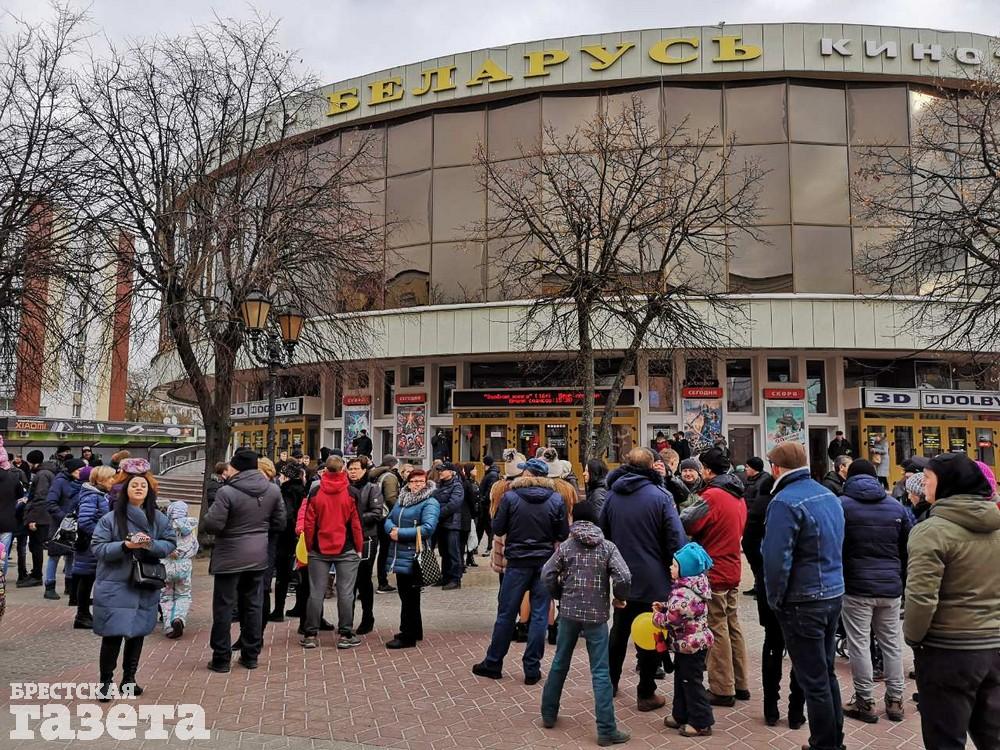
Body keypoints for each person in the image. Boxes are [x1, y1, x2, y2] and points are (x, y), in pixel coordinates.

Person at [904, 451, 1000, 749]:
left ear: (947, 483)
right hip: (993, 644)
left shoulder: (931, 532)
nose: (924, 485)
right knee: (992, 735)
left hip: (948, 649)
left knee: (945, 738)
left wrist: (913, 637)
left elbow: (921, 597)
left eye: (928, 478)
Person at [762, 441, 845, 750]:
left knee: (814, 680)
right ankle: (834, 739)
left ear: (776, 468)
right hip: (831, 593)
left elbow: (776, 558)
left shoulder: (784, 502)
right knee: (825, 673)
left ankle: (825, 743)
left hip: (803, 599)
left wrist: (775, 598)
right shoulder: (828, 494)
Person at [600, 447, 687, 711]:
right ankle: (646, 691)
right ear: (651, 466)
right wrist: (677, 568)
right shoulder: (661, 496)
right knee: (652, 632)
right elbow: (676, 538)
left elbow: (603, 534)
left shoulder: (612, 496)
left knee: (619, 630)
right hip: (654, 577)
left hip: (622, 575)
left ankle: (609, 683)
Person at [540, 501, 632, 746]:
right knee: (600, 671)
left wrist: (559, 593)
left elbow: (547, 573)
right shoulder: (607, 547)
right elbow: (624, 576)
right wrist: (620, 597)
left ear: (574, 519)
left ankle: (548, 713)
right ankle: (606, 729)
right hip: (597, 615)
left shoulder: (566, 546)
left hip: (569, 612)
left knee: (560, 662)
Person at [472, 457, 569, 684]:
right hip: (544, 561)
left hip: (517, 562)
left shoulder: (511, 497)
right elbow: (562, 533)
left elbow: (498, 528)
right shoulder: (555, 498)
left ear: (527, 474)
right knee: (539, 614)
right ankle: (532, 668)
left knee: (506, 613)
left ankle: (493, 662)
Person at [837, 458, 911, 724]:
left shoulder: (841, 505)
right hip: (890, 586)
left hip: (856, 586)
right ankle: (895, 699)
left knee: (859, 644)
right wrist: (900, 578)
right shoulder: (895, 507)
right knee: (891, 643)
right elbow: (907, 548)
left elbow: (836, 545)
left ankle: (865, 700)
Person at [91, 474, 176, 700]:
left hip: (144, 583)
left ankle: (129, 680)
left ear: (149, 491)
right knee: (112, 634)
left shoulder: (158, 518)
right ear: (125, 490)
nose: (139, 488)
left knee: (137, 633)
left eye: (143, 485)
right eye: (134, 485)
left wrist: (149, 544)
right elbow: (98, 548)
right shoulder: (110, 519)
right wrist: (125, 545)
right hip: (115, 583)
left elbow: (170, 543)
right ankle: (105, 682)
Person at [202, 447, 285, 672]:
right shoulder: (272, 490)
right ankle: (250, 655)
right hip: (257, 555)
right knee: (253, 605)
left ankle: (221, 658)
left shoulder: (227, 492)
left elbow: (213, 524)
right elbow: (280, 522)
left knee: (224, 607)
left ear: (236, 467)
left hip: (229, 556)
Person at [680, 448, 749, 706]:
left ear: (708, 470)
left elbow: (688, 521)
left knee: (716, 627)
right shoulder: (738, 494)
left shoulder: (712, 496)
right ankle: (740, 682)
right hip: (732, 566)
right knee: (732, 625)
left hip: (715, 569)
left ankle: (722, 687)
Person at [743, 458, 804, 728]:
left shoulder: (765, 500)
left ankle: (772, 708)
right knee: (797, 648)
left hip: (772, 584)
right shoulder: (802, 498)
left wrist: (761, 572)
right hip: (798, 586)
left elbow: (749, 541)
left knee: (773, 643)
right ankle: (794, 710)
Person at [300, 456, 363, 650]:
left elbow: (309, 523)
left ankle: (310, 634)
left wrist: (309, 546)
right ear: (343, 469)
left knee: (316, 592)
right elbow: (356, 524)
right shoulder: (351, 492)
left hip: (319, 547)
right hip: (346, 547)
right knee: (346, 593)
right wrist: (359, 547)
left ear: (325, 470)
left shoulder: (316, 491)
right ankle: (345, 634)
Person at [656, 542, 716, 738]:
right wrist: (664, 606)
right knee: (681, 679)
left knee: (691, 682)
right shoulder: (688, 588)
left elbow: (672, 619)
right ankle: (680, 714)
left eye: (674, 565)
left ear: (686, 570)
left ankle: (701, 722)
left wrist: (657, 616)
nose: (670, 567)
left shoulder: (685, 593)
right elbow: (677, 607)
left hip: (691, 645)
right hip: (687, 645)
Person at [383, 469, 440, 648]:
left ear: (426, 483)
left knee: (409, 596)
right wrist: (391, 529)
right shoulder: (402, 500)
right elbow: (389, 519)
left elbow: (428, 528)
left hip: (414, 555)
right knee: (408, 595)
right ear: (408, 483)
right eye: (413, 481)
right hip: (400, 553)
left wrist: (400, 533)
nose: (417, 484)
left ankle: (407, 635)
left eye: (420, 481)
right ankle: (415, 630)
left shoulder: (430, 502)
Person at [71, 466, 115, 629]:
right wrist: (102, 535)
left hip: (93, 544)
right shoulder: (92, 496)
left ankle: (85, 614)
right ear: (100, 479)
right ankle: (82, 615)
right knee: (87, 578)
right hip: (90, 546)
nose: (113, 481)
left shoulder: (101, 495)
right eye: (110, 477)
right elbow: (85, 521)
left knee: (89, 578)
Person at [345, 457, 383, 634]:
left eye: (356, 468)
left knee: (364, 579)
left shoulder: (372, 488)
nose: (353, 472)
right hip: (348, 539)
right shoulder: (345, 487)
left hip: (367, 537)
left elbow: (376, 513)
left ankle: (368, 618)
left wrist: (354, 519)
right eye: (350, 469)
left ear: (364, 470)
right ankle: (347, 619)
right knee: (348, 581)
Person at [43, 457, 86, 601]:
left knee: (71, 555)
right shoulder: (59, 481)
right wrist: (64, 517)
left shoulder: (82, 483)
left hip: (75, 525)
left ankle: (69, 585)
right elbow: (50, 502)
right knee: (54, 556)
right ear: (72, 470)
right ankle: (49, 586)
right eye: (79, 470)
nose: (81, 472)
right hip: (59, 525)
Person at [271, 459, 307, 621]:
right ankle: (299, 607)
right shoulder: (304, 490)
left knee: (282, 575)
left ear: (286, 477)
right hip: (301, 537)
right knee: (299, 574)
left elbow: (286, 515)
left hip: (286, 538)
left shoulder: (286, 492)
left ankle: (278, 610)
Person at [162, 500, 198, 639]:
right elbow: (194, 547)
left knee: (166, 596)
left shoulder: (165, 525)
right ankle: (178, 618)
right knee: (183, 595)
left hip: (167, 565)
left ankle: (169, 625)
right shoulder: (190, 526)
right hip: (184, 565)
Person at [21, 449, 56, 588]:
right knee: (35, 546)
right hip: (44, 515)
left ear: (33, 462)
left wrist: (33, 519)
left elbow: (40, 498)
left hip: (40, 517)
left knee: (36, 546)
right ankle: (36, 573)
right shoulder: (47, 473)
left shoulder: (42, 475)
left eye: (29, 462)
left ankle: (37, 576)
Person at [370, 455, 402, 593]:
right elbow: (391, 498)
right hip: (385, 516)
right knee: (384, 550)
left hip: (375, 516)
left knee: (373, 551)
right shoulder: (389, 477)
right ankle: (382, 582)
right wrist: (398, 513)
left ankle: (367, 584)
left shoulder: (376, 475)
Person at [433, 461, 465, 591]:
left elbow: (454, 504)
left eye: (443, 470)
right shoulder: (439, 485)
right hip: (441, 523)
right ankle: (445, 576)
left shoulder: (457, 486)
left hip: (452, 523)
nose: (440, 472)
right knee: (444, 552)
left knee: (453, 552)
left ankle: (455, 579)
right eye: (439, 470)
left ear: (451, 472)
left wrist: (437, 513)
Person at [477, 455, 500, 556]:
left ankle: (490, 547)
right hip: (485, 505)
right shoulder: (490, 473)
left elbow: (490, 489)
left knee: (488, 527)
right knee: (481, 526)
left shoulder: (492, 474)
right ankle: (474, 547)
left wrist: (483, 500)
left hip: (487, 505)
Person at [460, 463, 480, 567]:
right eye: (474, 469)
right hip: (470, 513)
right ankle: (464, 560)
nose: (476, 470)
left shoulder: (475, 482)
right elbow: (470, 499)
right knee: (467, 536)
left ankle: (470, 557)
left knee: (472, 535)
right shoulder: (466, 483)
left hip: (474, 512)